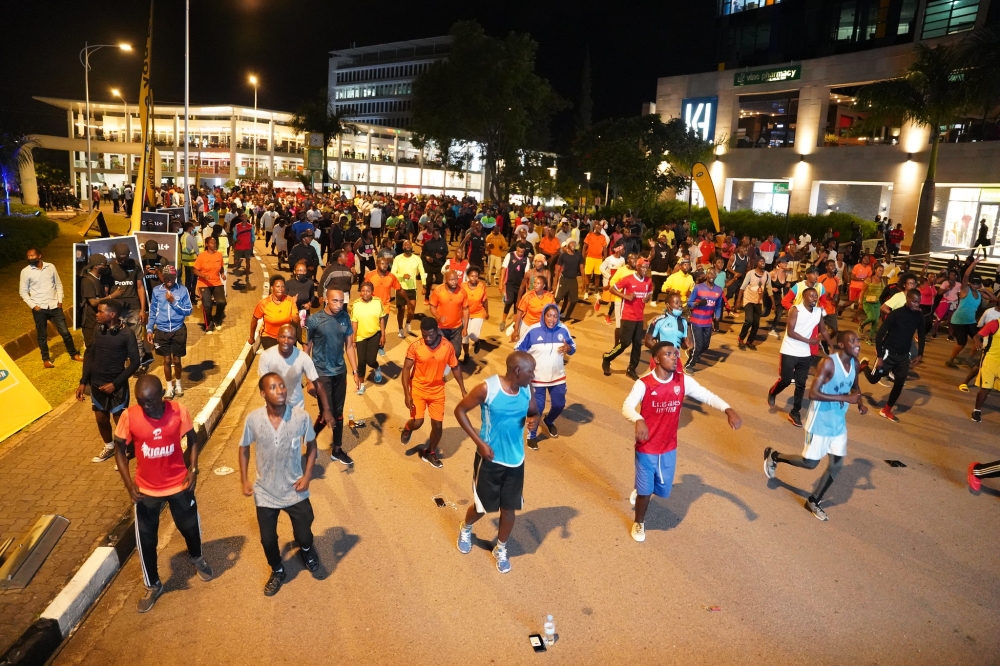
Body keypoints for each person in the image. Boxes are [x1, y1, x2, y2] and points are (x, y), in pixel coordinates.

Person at [622, 341, 742, 542]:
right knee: (646, 492)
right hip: (647, 447)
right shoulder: (644, 384)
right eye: (668, 354)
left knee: (663, 489)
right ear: (657, 359)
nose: (674, 356)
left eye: (675, 353)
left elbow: (707, 395)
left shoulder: (682, 381)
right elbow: (627, 406)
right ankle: (639, 522)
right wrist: (639, 419)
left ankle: (643, 487)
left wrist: (728, 409)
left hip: (669, 447)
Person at [113, 375, 212, 612]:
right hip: (146, 491)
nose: (145, 406)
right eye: (140, 401)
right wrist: (129, 485)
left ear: (162, 396)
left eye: (150, 401)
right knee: (146, 540)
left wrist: (193, 469)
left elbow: (193, 439)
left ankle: (197, 557)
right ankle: (153, 585)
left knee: (189, 527)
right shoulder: (129, 416)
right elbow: (119, 450)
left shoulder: (179, 411)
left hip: (179, 485)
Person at [764, 331, 867, 521]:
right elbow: (812, 393)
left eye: (859, 341)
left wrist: (859, 402)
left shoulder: (855, 363)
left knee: (836, 464)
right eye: (853, 341)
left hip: (838, 423)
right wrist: (845, 398)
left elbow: (855, 386)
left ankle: (813, 500)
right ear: (842, 345)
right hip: (819, 421)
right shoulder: (828, 363)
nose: (858, 344)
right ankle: (774, 456)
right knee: (810, 464)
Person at [454, 352, 539, 573]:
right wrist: (480, 443)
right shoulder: (487, 388)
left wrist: (534, 420)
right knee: (481, 507)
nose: (534, 375)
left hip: (515, 461)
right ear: (518, 371)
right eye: (531, 371)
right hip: (490, 460)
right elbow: (460, 410)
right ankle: (466, 527)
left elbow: (533, 411)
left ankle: (500, 548)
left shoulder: (527, 388)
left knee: (509, 509)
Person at [239, 372, 320, 596]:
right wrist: (244, 479)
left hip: (295, 489)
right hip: (265, 492)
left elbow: (312, 447)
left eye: (282, 386)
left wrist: (307, 476)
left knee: (304, 534)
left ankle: (306, 549)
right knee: (267, 539)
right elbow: (243, 448)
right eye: (273, 387)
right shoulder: (253, 420)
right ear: (263, 393)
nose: (281, 390)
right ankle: (277, 569)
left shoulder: (301, 417)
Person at [78, 299, 141, 463]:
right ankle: (110, 446)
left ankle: (125, 451)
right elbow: (90, 354)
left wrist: (115, 384)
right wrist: (83, 381)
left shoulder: (127, 334)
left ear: (112, 315)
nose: (96, 314)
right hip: (97, 383)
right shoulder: (98, 329)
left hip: (117, 386)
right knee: (101, 419)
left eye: (100, 311)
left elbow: (135, 363)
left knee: (120, 422)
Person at [401, 318, 468, 469]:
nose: (428, 338)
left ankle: (430, 452)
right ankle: (407, 428)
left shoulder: (447, 347)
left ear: (437, 330)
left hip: (437, 391)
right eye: (424, 335)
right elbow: (406, 370)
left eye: (431, 335)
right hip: (418, 388)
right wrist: (407, 394)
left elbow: (455, 367)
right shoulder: (415, 346)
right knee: (417, 422)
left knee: (437, 426)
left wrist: (463, 389)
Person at [307, 288, 361, 466]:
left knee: (338, 413)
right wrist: (309, 380)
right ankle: (310, 440)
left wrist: (355, 371)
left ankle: (337, 450)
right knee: (325, 413)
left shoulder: (345, 317)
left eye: (341, 301)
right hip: (321, 374)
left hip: (340, 372)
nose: (339, 305)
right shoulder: (314, 320)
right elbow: (306, 350)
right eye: (335, 301)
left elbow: (350, 347)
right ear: (325, 300)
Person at [768, 287, 832, 427]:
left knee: (801, 384)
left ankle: (795, 412)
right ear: (804, 297)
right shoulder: (795, 310)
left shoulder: (818, 312)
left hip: (805, 353)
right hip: (789, 350)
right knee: (785, 380)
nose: (814, 298)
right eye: (811, 296)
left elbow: (823, 329)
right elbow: (790, 332)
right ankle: (773, 392)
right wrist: (810, 341)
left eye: (816, 296)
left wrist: (831, 346)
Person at [859, 289, 926, 423]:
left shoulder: (919, 316)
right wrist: (879, 357)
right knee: (873, 379)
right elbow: (879, 335)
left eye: (918, 302)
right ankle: (864, 365)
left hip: (903, 355)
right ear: (907, 299)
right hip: (887, 353)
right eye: (913, 301)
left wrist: (920, 354)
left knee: (899, 382)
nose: (916, 304)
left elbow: (922, 334)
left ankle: (886, 410)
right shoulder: (896, 314)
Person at [516, 304, 575, 450]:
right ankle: (532, 435)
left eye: (555, 316)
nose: (552, 319)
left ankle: (548, 421)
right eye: (549, 315)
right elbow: (518, 348)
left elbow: (573, 346)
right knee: (538, 407)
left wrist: (569, 348)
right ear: (543, 315)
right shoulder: (533, 330)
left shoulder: (563, 329)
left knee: (559, 404)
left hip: (557, 377)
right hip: (537, 379)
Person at [19, 247, 83, 368]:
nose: (30, 258)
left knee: (65, 332)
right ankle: (46, 360)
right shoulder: (25, 272)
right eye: (28, 256)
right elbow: (23, 292)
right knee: (42, 335)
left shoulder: (50, 267)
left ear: (39, 256)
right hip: (39, 308)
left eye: (32, 256)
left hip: (54, 306)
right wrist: (34, 306)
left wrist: (60, 300)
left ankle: (74, 354)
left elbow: (58, 284)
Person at [146, 265, 192, 398]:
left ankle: (178, 385)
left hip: (178, 329)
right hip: (161, 331)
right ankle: (169, 388)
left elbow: (188, 310)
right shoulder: (156, 291)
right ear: (162, 278)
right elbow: (153, 311)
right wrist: (149, 329)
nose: (169, 280)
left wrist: (173, 302)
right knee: (166, 360)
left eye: (171, 277)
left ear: (175, 277)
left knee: (177, 360)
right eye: (166, 278)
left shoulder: (182, 290)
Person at [603, 259, 653, 379]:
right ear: (637, 267)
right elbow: (612, 288)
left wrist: (647, 299)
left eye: (647, 268)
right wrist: (625, 296)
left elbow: (650, 293)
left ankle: (631, 369)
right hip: (628, 315)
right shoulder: (628, 279)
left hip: (639, 317)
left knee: (637, 344)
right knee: (625, 343)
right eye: (643, 267)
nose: (645, 270)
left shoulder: (648, 281)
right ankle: (607, 357)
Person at [109, 242, 153, 370]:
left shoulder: (135, 264)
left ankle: (137, 365)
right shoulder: (110, 267)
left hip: (134, 308)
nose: (124, 261)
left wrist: (142, 309)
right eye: (121, 258)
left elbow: (140, 287)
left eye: (126, 257)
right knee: (117, 339)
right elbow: (105, 291)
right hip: (116, 310)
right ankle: (119, 366)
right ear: (115, 256)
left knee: (137, 339)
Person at [258, 323, 321, 412]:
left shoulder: (303, 357)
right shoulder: (266, 356)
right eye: (282, 337)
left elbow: (316, 381)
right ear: (277, 337)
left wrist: (326, 408)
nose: (286, 341)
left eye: (290, 338)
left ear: (295, 340)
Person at [946, 258, 988, 368]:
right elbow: (965, 276)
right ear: (970, 283)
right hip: (959, 320)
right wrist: (973, 263)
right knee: (962, 343)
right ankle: (950, 360)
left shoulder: (979, 293)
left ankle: (969, 358)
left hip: (970, 321)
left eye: (977, 283)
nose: (974, 285)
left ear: (979, 284)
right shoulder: (965, 290)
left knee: (979, 338)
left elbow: (993, 299)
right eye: (973, 282)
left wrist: (985, 289)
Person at [350, 282, 387, 394]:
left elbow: (381, 319)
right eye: (363, 291)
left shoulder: (377, 302)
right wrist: (353, 339)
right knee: (361, 362)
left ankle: (376, 367)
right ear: (360, 292)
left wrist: (383, 335)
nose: (365, 293)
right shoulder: (356, 304)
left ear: (372, 292)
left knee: (370, 360)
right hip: (361, 336)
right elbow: (354, 323)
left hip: (374, 334)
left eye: (368, 291)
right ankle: (361, 385)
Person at [684, 268, 724, 371]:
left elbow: (718, 306)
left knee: (705, 345)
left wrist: (717, 318)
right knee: (699, 345)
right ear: (706, 275)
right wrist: (697, 303)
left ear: (716, 276)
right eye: (709, 273)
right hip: (696, 321)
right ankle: (689, 365)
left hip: (708, 322)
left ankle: (693, 352)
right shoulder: (698, 288)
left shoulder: (719, 290)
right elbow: (689, 302)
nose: (711, 275)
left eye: (713, 274)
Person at [249, 276, 297, 350]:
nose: (280, 289)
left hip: (286, 336)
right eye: (278, 286)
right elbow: (254, 320)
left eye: (282, 287)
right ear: (272, 287)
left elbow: (295, 317)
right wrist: (251, 338)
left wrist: (298, 318)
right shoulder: (264, 303)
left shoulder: (290, 300)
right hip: (269, 336)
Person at [969, 311, 1000, 423]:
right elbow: (977, 335)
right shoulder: (995, 324)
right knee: (986, 388)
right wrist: (977, 342)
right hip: (990, 360)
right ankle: (977, 411)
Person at [391, 240, 426, 338]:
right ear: (402, 247)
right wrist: (402, 275)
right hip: (400, 288)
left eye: (409, 244)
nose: (407, 245)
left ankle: (408, 323)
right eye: (405, 244)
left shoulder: (417, 259)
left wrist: (424, 285)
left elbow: (422, 272)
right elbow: (393, 273)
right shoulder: (398, 258)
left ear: (412, 246)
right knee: (401, 310)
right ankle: (400, 329)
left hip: (412, 288)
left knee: (411, 310)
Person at [193, 236, 227, 334]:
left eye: (215, 242)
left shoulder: (219, 255)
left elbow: (221, 267)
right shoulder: (202, 256)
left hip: (216, 282)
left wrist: (222, 274)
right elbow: (195, 269)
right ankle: (209, 324)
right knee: (207, 305)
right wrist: (203, 275)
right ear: (207, 244)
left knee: (222, 302)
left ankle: (217, 319)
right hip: (204, 284)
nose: (213, 244)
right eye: (211, 243)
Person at [737, 257, 772, 350]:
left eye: (764, 261)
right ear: (756, 263)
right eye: (760, 261)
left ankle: (749, 341)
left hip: (758, 301)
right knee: (749, 320)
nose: (763, 263)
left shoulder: (767, 274)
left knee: (756, 324)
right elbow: (742, 287)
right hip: (748, 299)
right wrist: (738, 301)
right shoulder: (750, 273)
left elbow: (769, 289)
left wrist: (772, 302)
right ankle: (740, 339)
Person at [511, 275, 556, 343]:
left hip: (541, 327)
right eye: (534, 283)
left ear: (543, 286)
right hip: (527, 326)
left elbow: (554, 313)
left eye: (538, 283)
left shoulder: (549, 297)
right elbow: (519, 313)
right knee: (524, 349)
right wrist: (516, 330)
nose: (535, 285)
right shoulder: (528, 296)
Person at [80, 254, 109, 350]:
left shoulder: (98, 279)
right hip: (90, 322)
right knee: (92, 349)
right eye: (104, 265)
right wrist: (111, 296)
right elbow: (92, 302)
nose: (106, 267)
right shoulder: (87, 281)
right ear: (97, 266)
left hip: (98, 320)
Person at [499, 243, 530, 331]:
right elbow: (504, 269)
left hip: (520, 286)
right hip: (509, 284)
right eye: (519, 251)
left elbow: (527, 275)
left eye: (522, 252)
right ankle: (503, 321)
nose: (520, 253)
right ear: (516, 248)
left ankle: (514, 323)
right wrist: (501, 283)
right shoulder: (510, 255)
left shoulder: (526, 259)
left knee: (518, 305)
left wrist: (527, 288)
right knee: (509, 302)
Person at [461, 266, 489, 362]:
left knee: (473, 335)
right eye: (472, 276)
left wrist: (487, 312)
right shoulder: (462, 286)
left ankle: (477, 341)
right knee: (464, 337)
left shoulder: (481, 285)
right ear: (468, 276)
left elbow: (485, 300)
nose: (474, 278)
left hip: (478, 313)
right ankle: (466, 355)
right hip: (465, 314)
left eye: (476, 276)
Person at [554, 239, 584, 319]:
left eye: (574, 243)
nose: (573, 244)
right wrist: (555, 283)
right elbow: (557, 269)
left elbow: (581, 268)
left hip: (573, 280)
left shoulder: (578, 255)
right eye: (571, 243)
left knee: (574, 300)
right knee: (558, 298)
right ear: (567, 245)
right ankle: (552, 314)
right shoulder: (563, 255)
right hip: (564, 279)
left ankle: (565, 315)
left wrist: (584, 282)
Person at [856, 264, 886, 345]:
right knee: (872, 317)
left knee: (876, 322)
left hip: (877, 303)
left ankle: (870, 338)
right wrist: (860, 303)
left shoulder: (883, 280)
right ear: (875, 270)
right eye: (879, 270)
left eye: (882, 271)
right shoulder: (869, 279)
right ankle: (862, 324)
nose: (881, 272)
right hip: (868, 302)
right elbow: (862, 292)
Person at [583, 222, 608, 299]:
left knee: (597, 276)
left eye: (600, 228)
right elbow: (584, 247)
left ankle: (596, 292)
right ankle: (586, 292)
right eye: (597, 227)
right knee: (588, 275)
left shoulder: (603, 237)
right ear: (594, 227)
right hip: (590, 257)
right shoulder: (589, 235)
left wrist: (605, 259)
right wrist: (583, 258)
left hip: (599, 259)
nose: (599, 229)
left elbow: (604, 249)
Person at [232, 214, 255, 281]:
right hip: (239, 246)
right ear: (241, 218)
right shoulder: (237, 226)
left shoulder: (251, 226)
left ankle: (247, 276)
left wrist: (252, 242)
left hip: (247, 246)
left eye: (245, 217)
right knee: (235, 262)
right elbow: (234, 236)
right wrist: (236, 240)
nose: (244, 218)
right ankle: (238, 262)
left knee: (248, 261)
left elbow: (253, 236)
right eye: (243, 217)